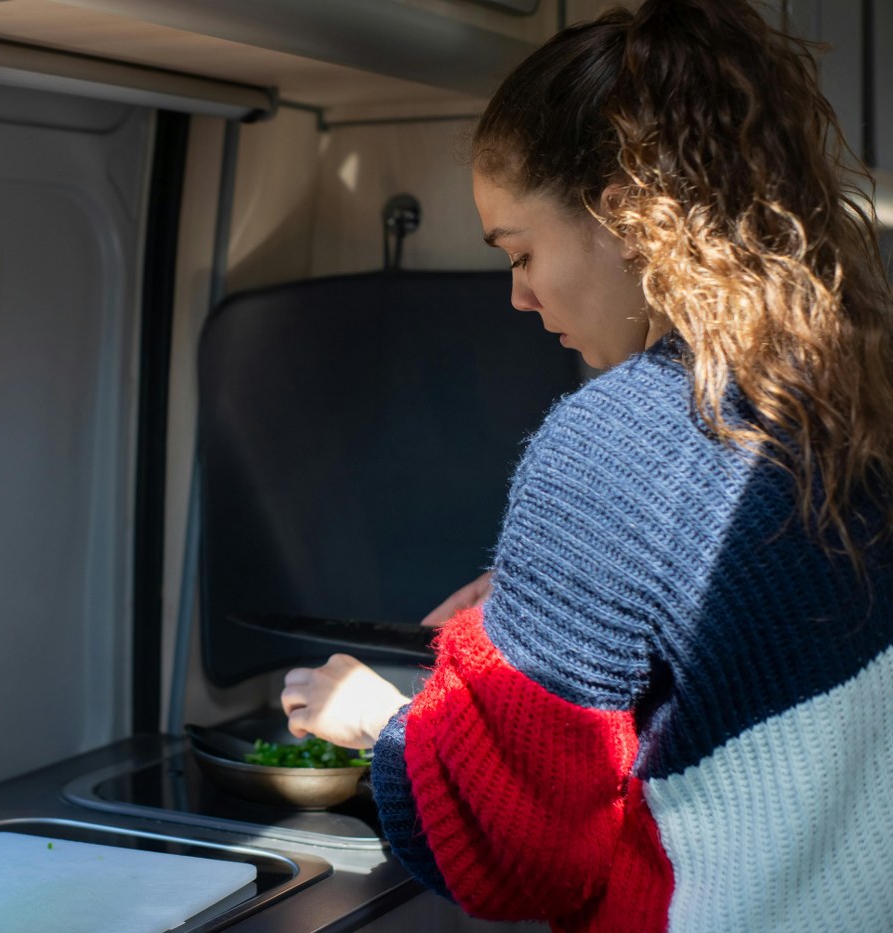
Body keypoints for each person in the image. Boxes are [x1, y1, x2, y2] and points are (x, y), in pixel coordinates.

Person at [279, 1, 893, 930]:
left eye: (522, 252)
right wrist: (543, 605)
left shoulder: (614, 443)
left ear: (624, 216)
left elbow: (521, 851)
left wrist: (377, 721)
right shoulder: (844, 380)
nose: (519, 297)